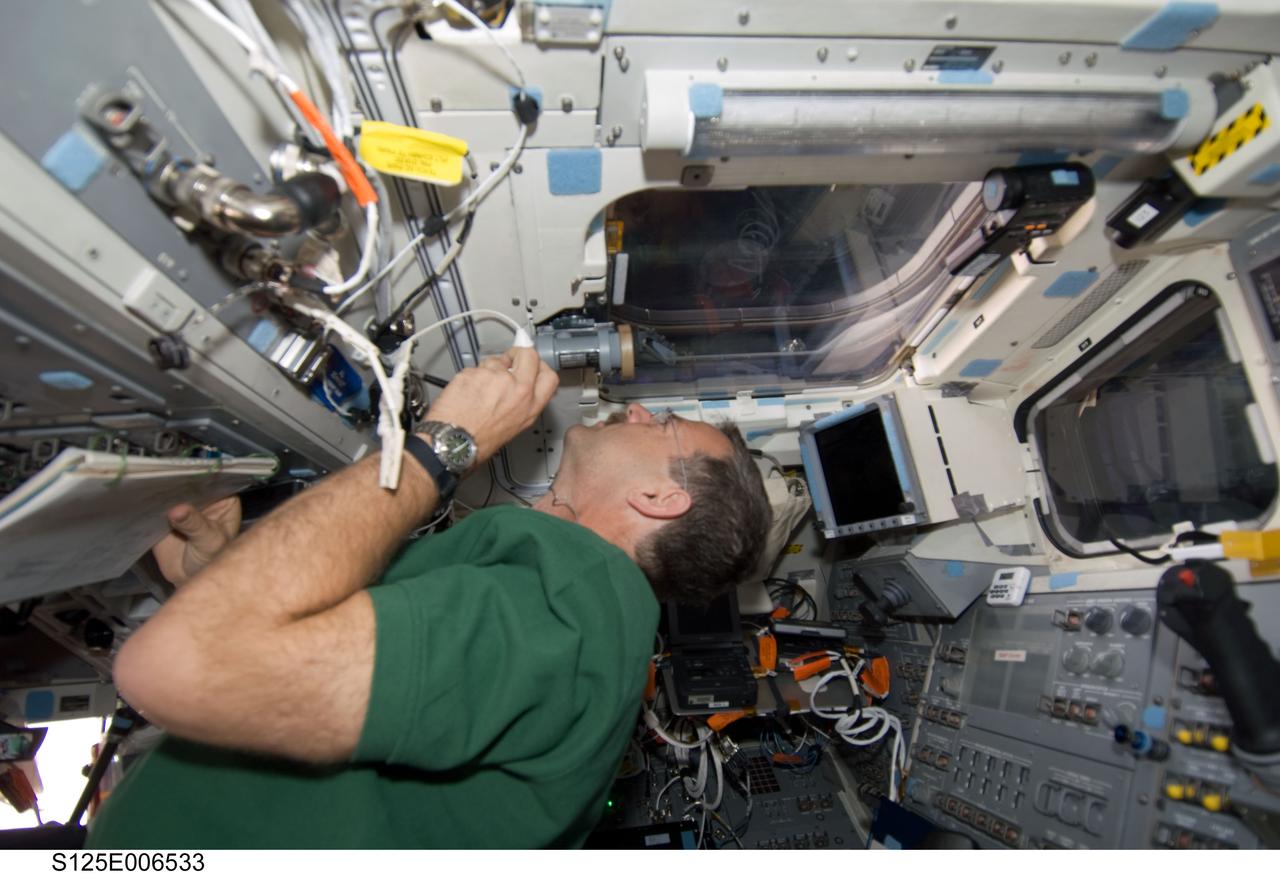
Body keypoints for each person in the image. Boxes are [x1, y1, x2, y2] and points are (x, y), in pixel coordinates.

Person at [87, 346, 771, 848]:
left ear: (659, 498)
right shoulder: (560, 606)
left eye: (665, 426)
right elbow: (308, 659)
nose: (643, 411)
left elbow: (181, 668)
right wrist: (216, 578)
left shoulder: (566, 609)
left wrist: (441, 448)